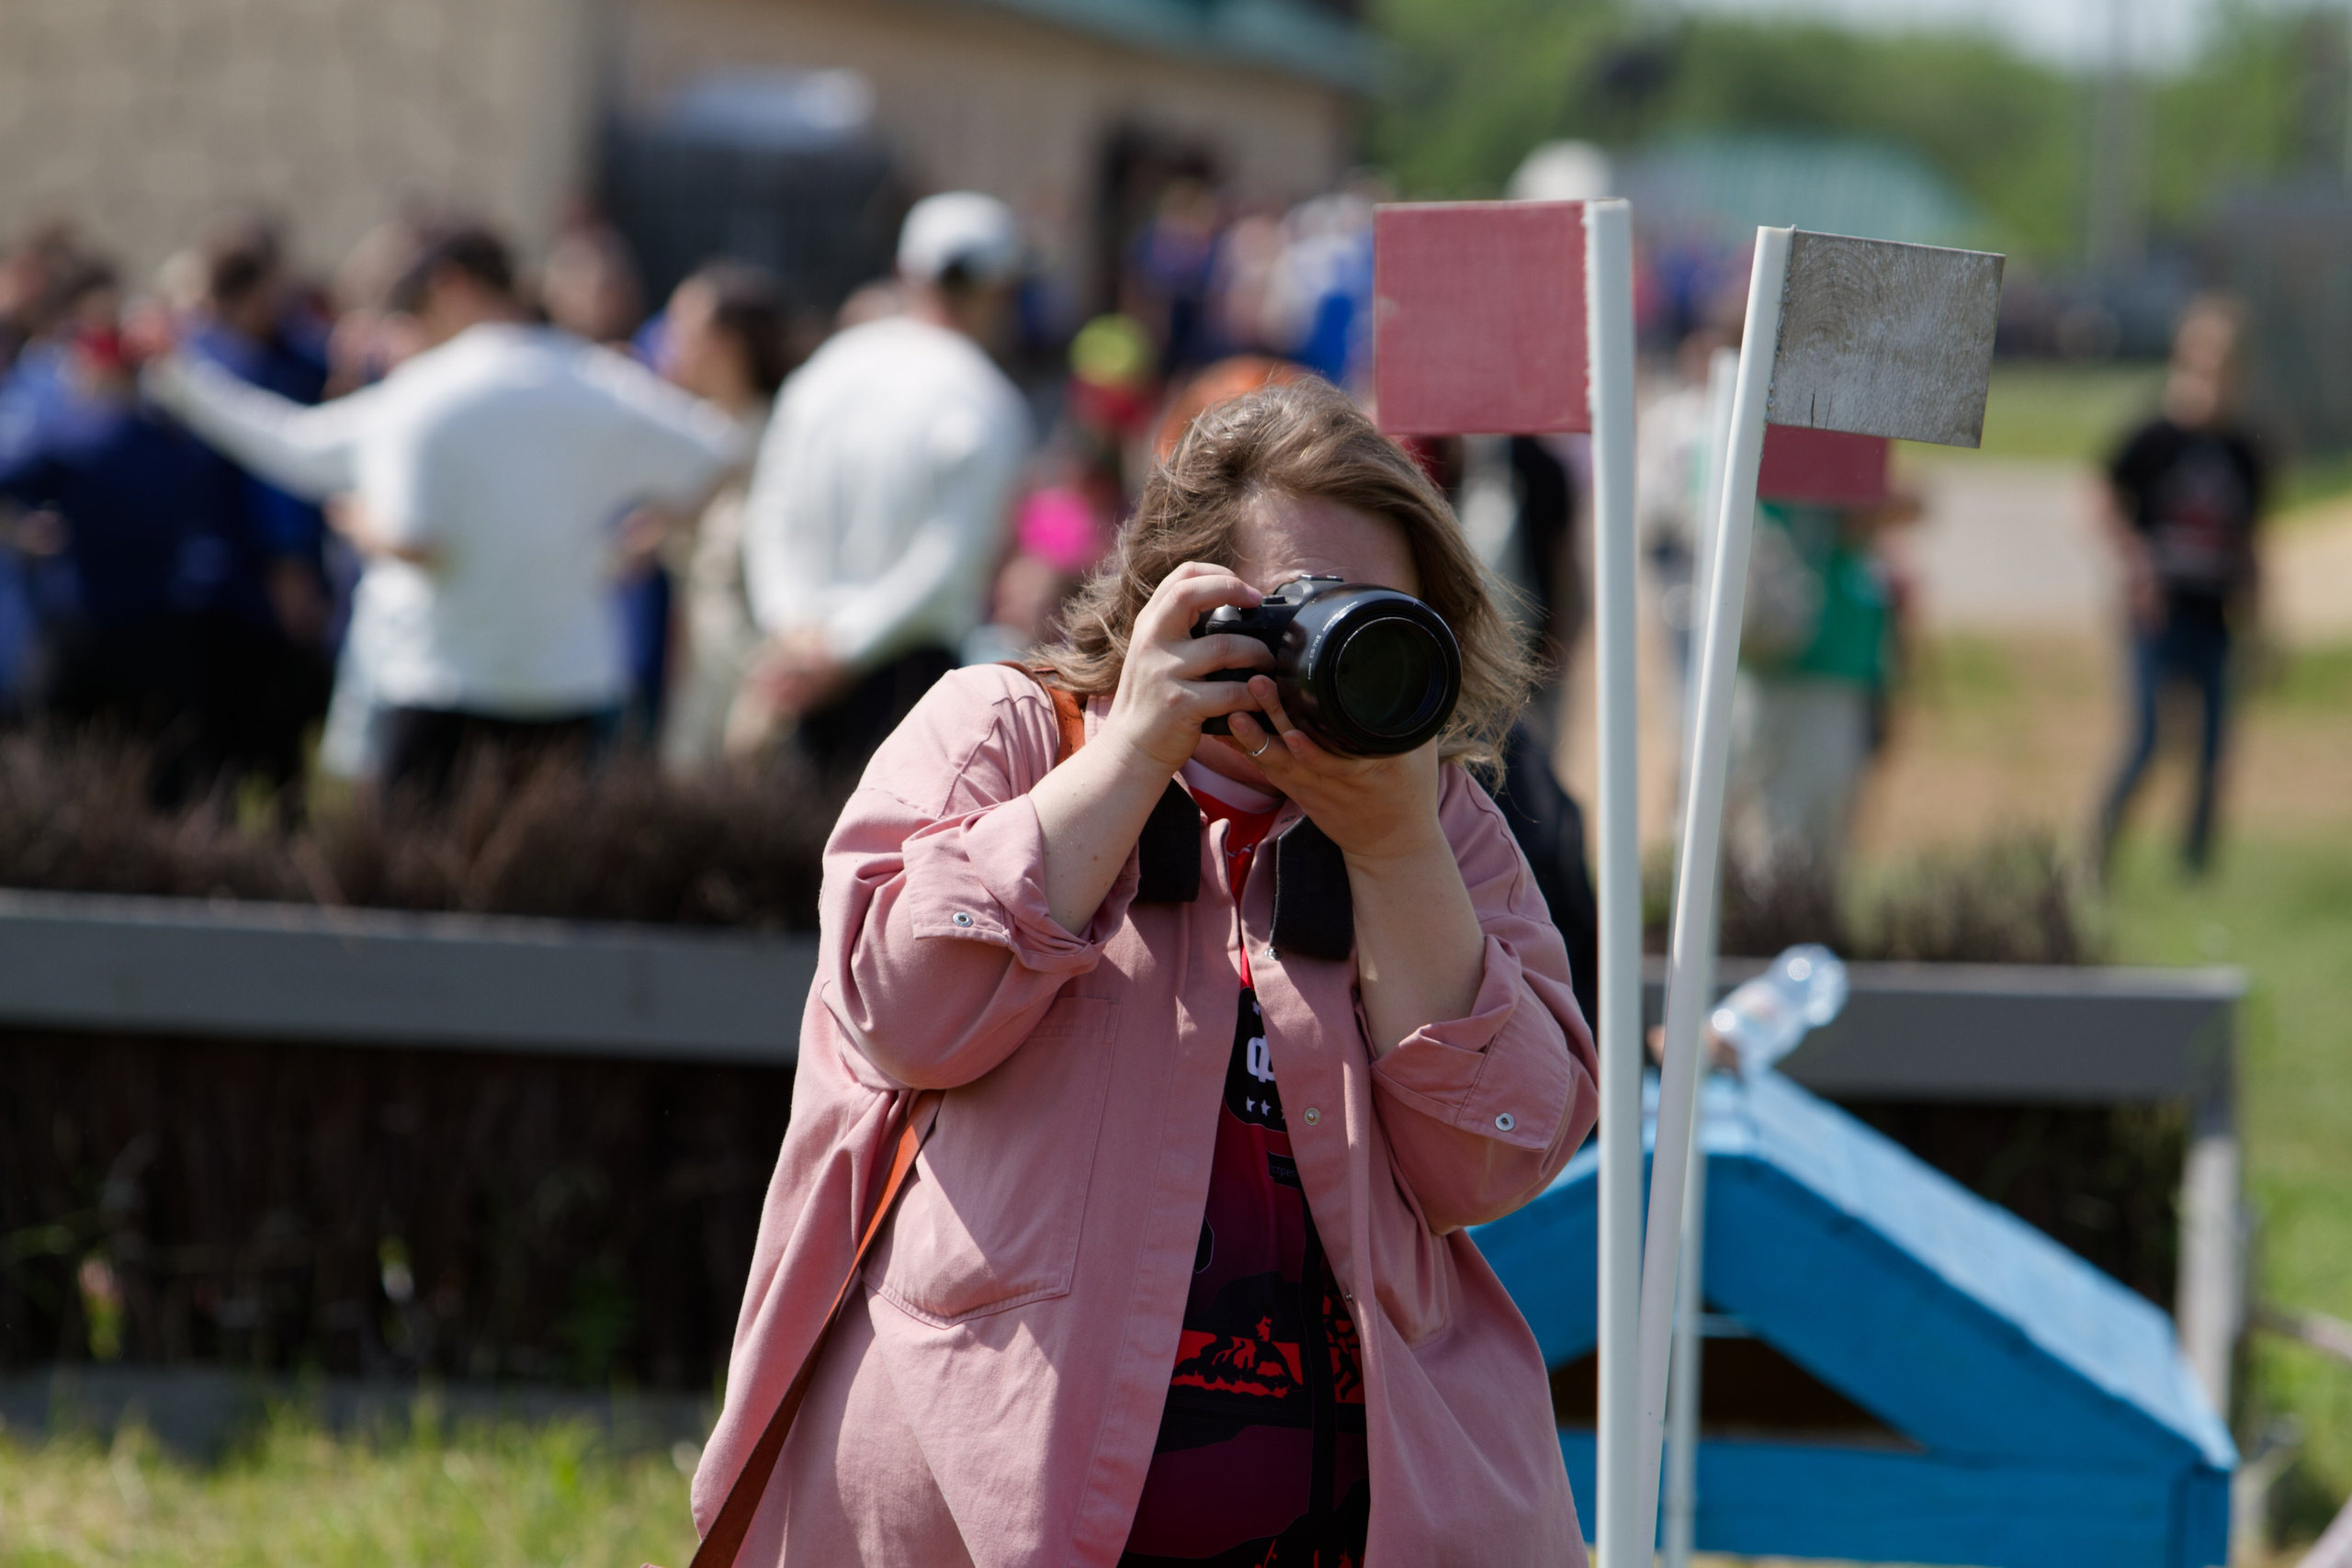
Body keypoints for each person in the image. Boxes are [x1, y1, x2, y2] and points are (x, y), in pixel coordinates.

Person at [696, 379, 1597, 1563]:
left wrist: (1393, 848)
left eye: (1381, 611)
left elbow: (1494, 1156)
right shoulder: (1008, 734)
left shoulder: (1439, 823)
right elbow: (901, 1013)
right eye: (1294, 608)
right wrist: (1128, 754)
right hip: (990, 1510)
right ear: (1176, 596)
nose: (1338, 644)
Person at [144, 222, 745, 802]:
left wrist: (180, 377)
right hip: (568, 685)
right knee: (549, 868)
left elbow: (315, 461)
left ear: (452, 286)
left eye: (416, 308)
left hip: (444, 687)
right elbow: (721, 452)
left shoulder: (424, 393)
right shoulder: (595, 380)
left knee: (426, 866)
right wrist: (636, 542)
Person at [736, 192, 1032, 785]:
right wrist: (842, 649)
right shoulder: (988, 400)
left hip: (796, 659)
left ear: (905, 271)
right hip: (909, 677)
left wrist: (792, 628)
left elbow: (769, 510)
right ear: (999, 291)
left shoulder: (827, 369)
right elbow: (950, 563)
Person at [2095, 297, 2266, 877]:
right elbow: (2099, 498)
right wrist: (2137, 561)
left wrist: (2261, 621)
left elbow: (2251, 541)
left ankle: (2195, 867)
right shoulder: (2155, 436)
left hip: (2214, 616)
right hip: (2158, 616)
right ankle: (2100, 848)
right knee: (2148, 739)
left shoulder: (2243, 449)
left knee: (2215, 749)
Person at [650, 261, 797, 773]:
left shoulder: (782, 443)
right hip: (695, 693)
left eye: (683, 330)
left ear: (729, 345)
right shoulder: (685, 437)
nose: (667, 343)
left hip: (757, 695)